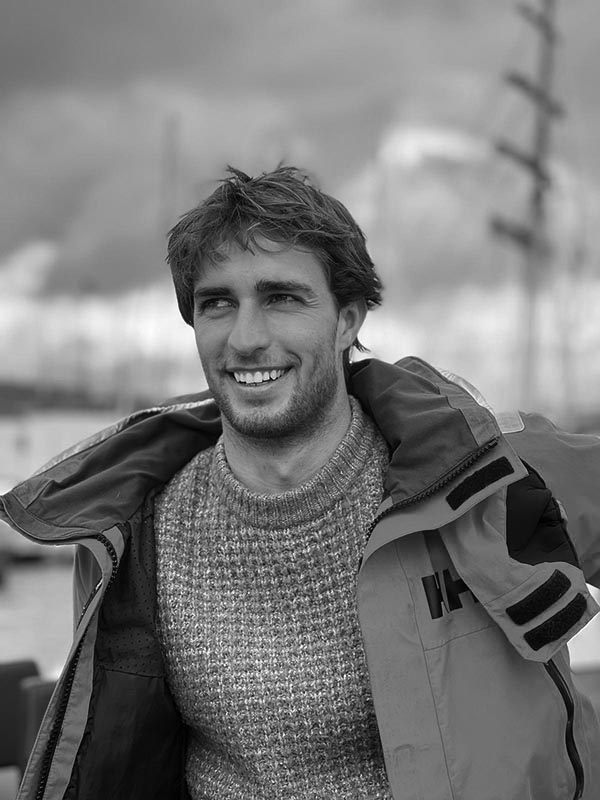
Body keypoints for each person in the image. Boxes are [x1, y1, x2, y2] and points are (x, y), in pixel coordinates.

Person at [1, 165, 599, 800]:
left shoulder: (490, 475)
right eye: (217, 303)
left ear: (347, 320)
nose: (246, 338)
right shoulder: (133, 534)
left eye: (282, 298)